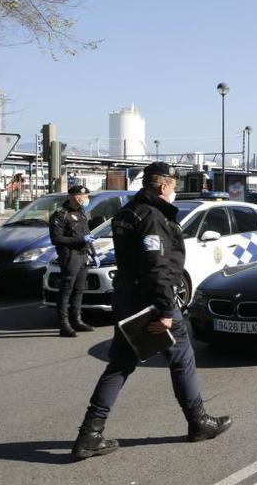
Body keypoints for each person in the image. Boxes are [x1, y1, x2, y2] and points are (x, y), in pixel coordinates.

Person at [71, 162, 231, 460]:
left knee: (120, 362)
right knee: (182, 357)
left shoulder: (128, 212)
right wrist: (165, 310)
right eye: (173, 186)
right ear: (162, 186)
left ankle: (89, 434)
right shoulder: (153, 216)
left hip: (127, 298)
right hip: (149, 301)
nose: (174, 191)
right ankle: (198, 422)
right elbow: (157, 267)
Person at [49, 185, 96, 337]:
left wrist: (93, 254)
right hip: (70, 256)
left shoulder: (82, 213)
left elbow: (87, 235)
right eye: (85, 197)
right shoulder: (61, 215)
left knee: (79, 290)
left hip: (83, 255)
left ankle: (77, 320)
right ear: (76, 197)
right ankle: (64, 324)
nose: (87, 199)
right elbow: (56, 239)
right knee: (66, 291)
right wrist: (80, 239)